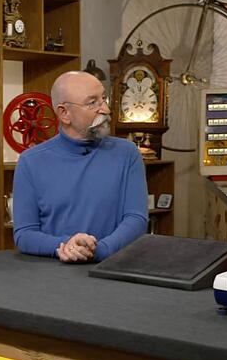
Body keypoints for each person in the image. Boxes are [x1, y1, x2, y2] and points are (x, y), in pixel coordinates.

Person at [12, 70, 148, 263]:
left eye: (103, 99)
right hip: (53, 273)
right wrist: (66, 246)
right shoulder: (30, 162)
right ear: (64, 113)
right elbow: (24, 235)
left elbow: (137, 219)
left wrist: (99, 250)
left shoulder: (127, 153)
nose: (105, 109)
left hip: (112, 268)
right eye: (92, 102)